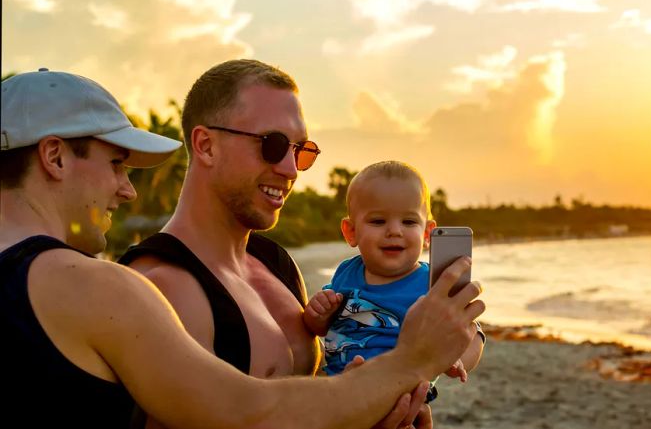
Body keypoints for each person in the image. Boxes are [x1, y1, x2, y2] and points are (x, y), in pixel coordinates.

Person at [0, 67, 485, 429]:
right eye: (274, 145)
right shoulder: (145, 285)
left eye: (303, 151)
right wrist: (410, 361)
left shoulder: (276, 265)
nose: (293, 169)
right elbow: (251, 414)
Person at [303, 161, 485, 403]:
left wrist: (456, 358)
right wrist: (318, 313)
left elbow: (473, 333)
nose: (394, 231)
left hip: (400, 393)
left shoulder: (432, 284)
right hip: (338, 387)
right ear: (351, 232)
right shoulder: (346, 272)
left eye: (409, 222)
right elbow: (319, 328)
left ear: (427, 233)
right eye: (378, 221)